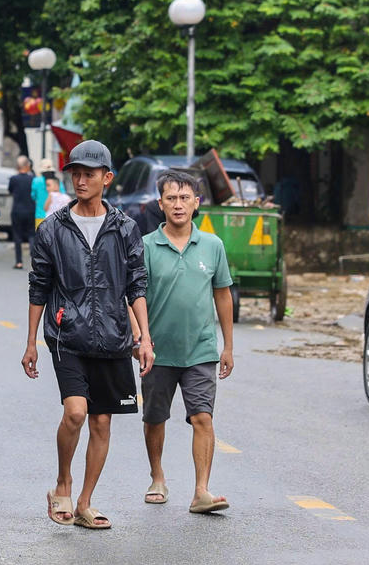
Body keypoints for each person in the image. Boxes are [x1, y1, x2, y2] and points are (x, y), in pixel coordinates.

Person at [21, 139, 154, 530]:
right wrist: (31, 342)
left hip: (113, 336)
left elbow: (137, 286)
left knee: (102, 423)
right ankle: (63, 481)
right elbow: (38, 286)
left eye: (88, 174)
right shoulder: (53, 229)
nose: (80, 180)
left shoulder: (125, 228)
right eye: (75, 173)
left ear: (106, 178)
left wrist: (144, 337)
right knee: (76, 412)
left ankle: (84, 502)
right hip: (67, 335)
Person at [135, 169, 234, 514]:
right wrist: (140, 338)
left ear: (197, 203)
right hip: (157, 351)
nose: (178, 205)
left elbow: (222, 295)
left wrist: (228, 346)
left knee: (203, 417)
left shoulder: (213, 245)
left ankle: (201, 491)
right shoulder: (146, 246)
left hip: (201, 349)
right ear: (160, 204)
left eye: (184, 198)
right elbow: (135, 297)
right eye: (171, 198)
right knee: (155, 417)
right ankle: (157, 476)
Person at [8, 155, 36, 269]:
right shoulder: (33, 179)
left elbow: (10, 190)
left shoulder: (13, 179)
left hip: (17, 210)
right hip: (30, 209)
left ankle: (19, 262)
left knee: (17, 236)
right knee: (31, 234)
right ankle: (34, 260)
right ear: (27, 166)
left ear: (18, 166)